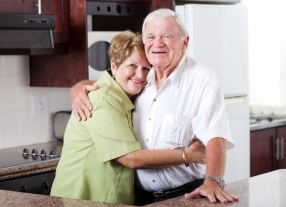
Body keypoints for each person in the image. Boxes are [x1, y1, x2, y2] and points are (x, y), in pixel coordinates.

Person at [70, 9, 239, 204]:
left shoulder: (202, 81)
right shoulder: (141, 77)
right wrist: (77, 89)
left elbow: (215, 136)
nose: (158, 43)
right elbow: (106, 83)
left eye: (167, 36)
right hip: (139, 197)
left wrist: (213, 181)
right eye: (151, 36)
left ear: (184, 42)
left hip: (183, 194)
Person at [51, 31, 206, 205]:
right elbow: (130, 158)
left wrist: (78, 86)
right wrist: (188, 155)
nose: (140, 75)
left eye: (146, 68)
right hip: (80, 200)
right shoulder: (103, 99)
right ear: (114, 66)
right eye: (132, 65)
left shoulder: (129, 95)